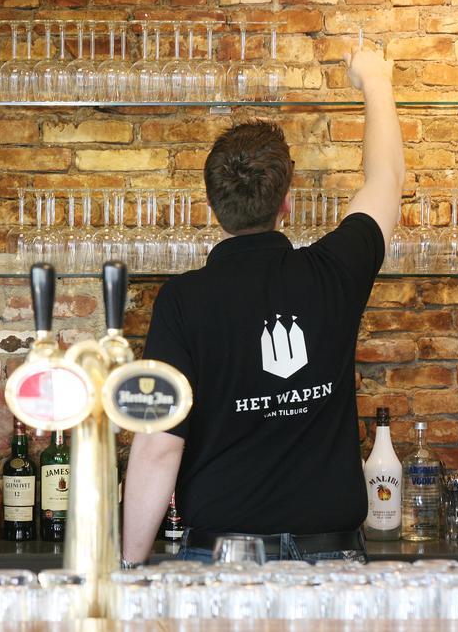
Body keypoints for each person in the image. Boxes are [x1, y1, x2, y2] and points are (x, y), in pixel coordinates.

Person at [122, 48, 405, 564]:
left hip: (222, 563)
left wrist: (129, 567)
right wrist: (375, 79)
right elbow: (386, 182)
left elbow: (160, 445)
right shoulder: (333, 271)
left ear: (212, 206)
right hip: (334, 564)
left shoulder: (182, 301)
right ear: (287, 202)